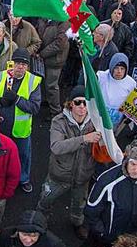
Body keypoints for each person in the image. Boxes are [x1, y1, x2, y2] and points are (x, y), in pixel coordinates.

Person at [36, 85, 99, 239]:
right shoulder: (59, 121)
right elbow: (56, 147)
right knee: (46, 199)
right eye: (78, 102)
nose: (82, 107)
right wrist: (84, 139)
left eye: (85, 103)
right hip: (59, 175)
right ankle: (40, 221)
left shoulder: (96, 121)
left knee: (79, 205)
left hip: (83, 175)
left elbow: (106, 143)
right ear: (70, 103)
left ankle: (77, 223)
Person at [78, 140, 137, 247]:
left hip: (129, 237)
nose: (136, 170)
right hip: (104, 237)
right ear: (126, 160)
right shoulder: (107, 180)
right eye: (133, 164)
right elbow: (91, 210)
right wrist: (103, 233)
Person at [0, 48, 42, 192]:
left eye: (24, 64)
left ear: (28, 67)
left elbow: (34, 107)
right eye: (17, 63)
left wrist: (17, 99)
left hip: (20, 130)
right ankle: (0, 178)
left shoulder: (33, 81)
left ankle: (23, 179)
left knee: (23, 156)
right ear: (11, 63)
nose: (20, 67)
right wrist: (0, 101)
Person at [37, 19, 70, 120]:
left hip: (55, 60)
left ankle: (56, 112)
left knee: (51, 86)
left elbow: (60, 43)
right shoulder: (43, 18)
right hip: (44, 58)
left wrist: (42, 53)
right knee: (45, 83)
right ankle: (46, 101)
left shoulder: (63, 21)